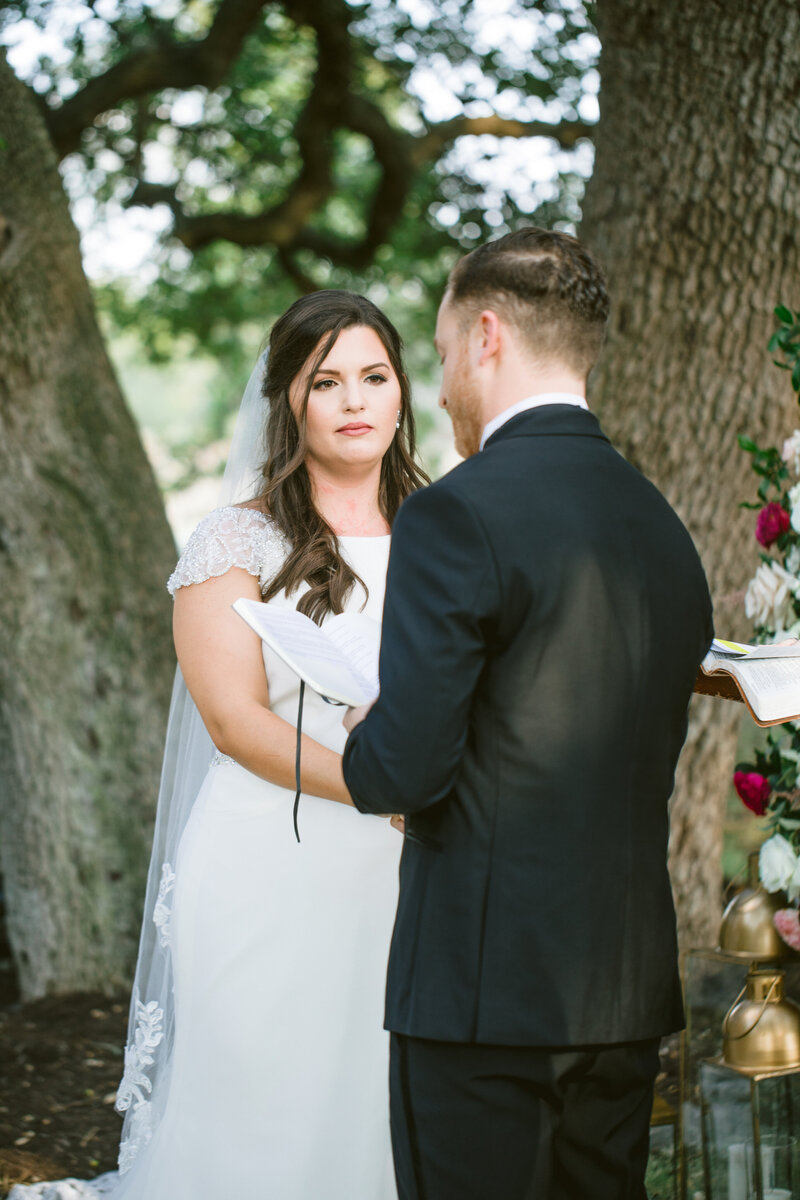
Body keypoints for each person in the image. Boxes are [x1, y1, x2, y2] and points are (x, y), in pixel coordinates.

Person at [11, 290, 427, 1200]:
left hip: (407, 871)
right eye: (327, 382)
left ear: (401, 394)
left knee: (376, 1111)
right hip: (268, 863)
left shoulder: (444, 526)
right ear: (288, 399)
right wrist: (378, 787)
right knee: (263, 1113)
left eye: (374, 376)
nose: (355, 401)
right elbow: (235, 723)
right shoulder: (237, 538)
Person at [342, 228, 714, 1200]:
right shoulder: (660, 527)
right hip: (623, 993)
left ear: (486, 337)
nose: (441, 388)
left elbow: (404, 767)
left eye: (439, 352)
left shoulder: (453, 514)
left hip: (479, 1002)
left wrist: (364, 739)